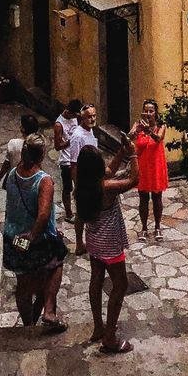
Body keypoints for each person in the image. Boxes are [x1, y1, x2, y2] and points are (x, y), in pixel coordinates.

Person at [75, 138, 140, 355]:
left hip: (94, 242)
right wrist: (133, 154)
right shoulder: (107, 189)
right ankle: (110, 337)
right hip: (110, 245)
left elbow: (110, 169)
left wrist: (122, 149)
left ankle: (98, 326)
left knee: (95, 281)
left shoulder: (83, 187)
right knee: (119, 285)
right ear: (96, 168)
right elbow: (133, 180)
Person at [2, 134, 68, 331]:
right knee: (55, 263)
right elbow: (43, 214)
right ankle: (48, 311)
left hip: (14, 238)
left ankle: (28, 324)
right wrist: (32, 236)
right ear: (42, 155)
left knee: (23, 281)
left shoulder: (13, 174)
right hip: (35, 240)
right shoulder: (44, 181)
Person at [133, 98, 169, 238]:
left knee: (157, 197)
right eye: (146, 111)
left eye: (151, 111)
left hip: (156, 166)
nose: (148, 114)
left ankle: (158, 226)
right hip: (143, 166)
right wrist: (136, 131)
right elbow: (129, 137)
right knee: (143, 198)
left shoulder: (161, 126)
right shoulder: (139, 125)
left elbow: (158, 139)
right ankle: (143, 227)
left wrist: (149, 130)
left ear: (156, 112)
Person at [68, 103, 100, 253]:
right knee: (81, 213)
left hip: (94, 179)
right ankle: (79, 242)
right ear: (82, 117)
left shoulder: (90, 131)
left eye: (94, 116)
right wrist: (77, 185)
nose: (92, 119)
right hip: (83, 180)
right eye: (89, 116)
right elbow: (73, 163)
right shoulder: (77, 136)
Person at [53, 98, 83, 222]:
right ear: (69, 112)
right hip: (66, 160)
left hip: (78, 157)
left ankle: (81, 211)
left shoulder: (75, 118)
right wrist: (71, 141)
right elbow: (57, 146)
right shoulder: (59, 124)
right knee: (67, 188)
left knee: (80, 186)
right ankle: (69, 213)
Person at [0, 112, 40, 188]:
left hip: (14, 181)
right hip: (29, 181)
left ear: (23, 129)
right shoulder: (38, 146)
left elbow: (6, 165)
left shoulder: (13, 144)